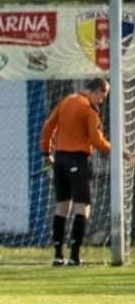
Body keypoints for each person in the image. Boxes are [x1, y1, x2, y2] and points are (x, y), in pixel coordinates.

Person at [39, 78, 131, 266]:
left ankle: (57, 255)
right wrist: (118, 150)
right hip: (78, 160)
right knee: (82, 206)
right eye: (103, 96)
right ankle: (74, 256)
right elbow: (97, 141)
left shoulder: (66, 101)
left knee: (62, 206)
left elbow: (48, 126)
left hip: (60, 160)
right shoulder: (89, 109)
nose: (102, 101)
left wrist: (46, 152)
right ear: (96, 91)